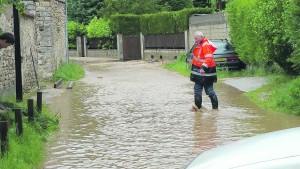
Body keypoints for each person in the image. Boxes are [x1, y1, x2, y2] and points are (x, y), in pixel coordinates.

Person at [190, 31, 218, 111]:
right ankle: (215, 110)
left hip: (204, 73)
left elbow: (208, 58)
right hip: (205, 73)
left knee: (199, 90)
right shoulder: (201, 44)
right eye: (194, 38)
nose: (195, 40)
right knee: (209, 91)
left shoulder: (205, 45)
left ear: (201, 37)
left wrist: (203, 68)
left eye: (196, 38)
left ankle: (198, 110)